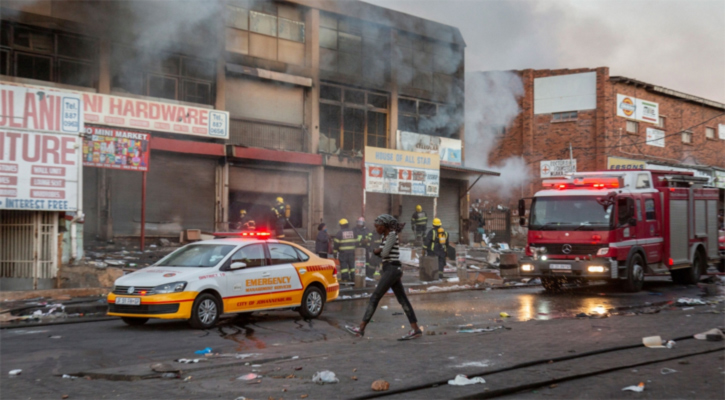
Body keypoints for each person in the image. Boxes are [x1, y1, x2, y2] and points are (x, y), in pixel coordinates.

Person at [345, 214, 422, 340]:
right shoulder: (386, 236)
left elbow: (385, 252)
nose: (376, 229)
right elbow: (385, 252)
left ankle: (361, 328)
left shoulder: (391, 235)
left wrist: (377, 251)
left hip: (392, 269)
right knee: (403, 300)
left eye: (378, 226)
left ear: (384, 226)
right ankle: (416, 329)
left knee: (375, 297)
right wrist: (380, 250)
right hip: (391, 269)